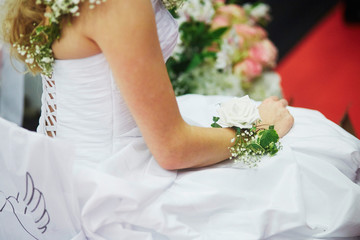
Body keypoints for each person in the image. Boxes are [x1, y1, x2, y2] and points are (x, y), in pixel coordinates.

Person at [0, 0, 359, 239]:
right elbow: (172, 148)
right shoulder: (118, 5)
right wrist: (259, 133)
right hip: (121, 178)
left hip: (61, 165)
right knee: (305, 174)